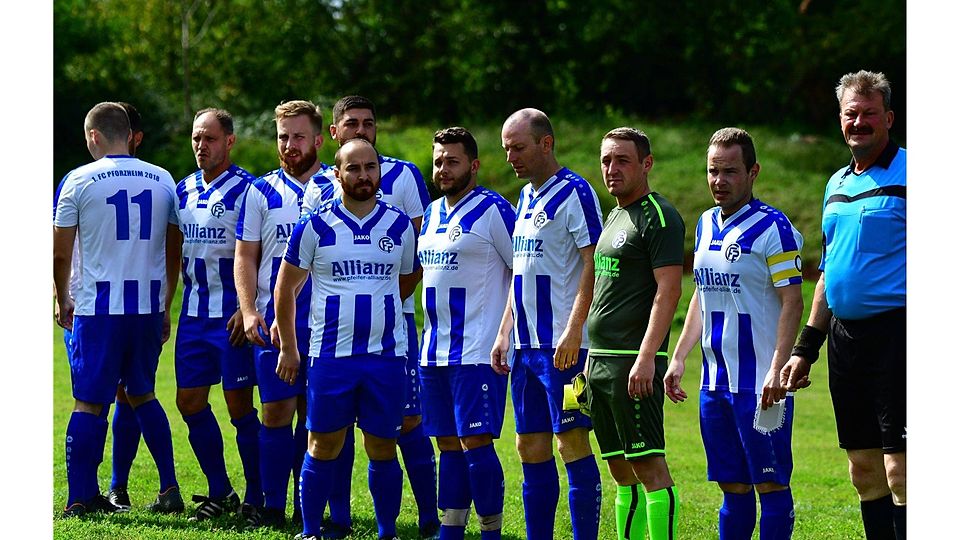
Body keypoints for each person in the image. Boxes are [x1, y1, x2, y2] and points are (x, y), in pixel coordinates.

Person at [301, 95, 438, 539]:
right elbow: (302, 265)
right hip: (333, 341)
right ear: (335, 133)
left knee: (405, 426)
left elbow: (415, 259)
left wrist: (378, 297)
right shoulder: (318, 190)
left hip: (391, 335)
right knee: (328, 437)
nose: (361, 129)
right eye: (352, 123)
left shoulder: (405, 178)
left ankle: (423, 518)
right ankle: (334, 520)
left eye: (369, 122)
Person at [780, 70, 906, 540]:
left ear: (888, 117)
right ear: (839, 120)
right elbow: (830, 274)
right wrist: (805, 347)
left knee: (902, 471)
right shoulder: (835, 184)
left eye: (869, 113)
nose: (859, 122)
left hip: (900, 336)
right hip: (845, 343)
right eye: (850, 114)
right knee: (864, 471)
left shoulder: (914, 174)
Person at [275, 137, 419, 540]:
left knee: (383, 448)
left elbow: (408, 276)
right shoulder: (314, 226)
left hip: (386, 358)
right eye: (353, 168)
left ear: (379, 172)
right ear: (337, 175)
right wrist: (288, 346)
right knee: (322, 446)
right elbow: (284, 289)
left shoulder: (398, 226)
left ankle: (386, 531)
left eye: (369, 167)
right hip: (330, 358)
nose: (362, 175)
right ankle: (309, 530)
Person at [666, 127, 803, 539]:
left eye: (729, 171)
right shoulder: (706, 223)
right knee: (733, 486)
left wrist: (777, 370)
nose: (718, 181)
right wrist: (679, 355)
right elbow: (702, 296)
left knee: (771, 483)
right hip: (715, 382)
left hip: (761, 383)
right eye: (712, 171)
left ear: (753, 172)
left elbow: (793, 302)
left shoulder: (774, 229)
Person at [54, 102, 182, 516]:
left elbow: (60, 255)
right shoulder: (163, 179)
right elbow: (173, 247)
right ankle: (168, 488)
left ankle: (81, 497)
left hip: (99, 308)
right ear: (129, 134)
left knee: (89, 402)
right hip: (145, 306)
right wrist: (165, 304)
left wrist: (61, 297)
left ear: (94, 136)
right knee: (143, 393)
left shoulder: (78, 180)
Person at [491, 108, 603, 540]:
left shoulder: (575, 192)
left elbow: (594, 264)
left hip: (565, 350)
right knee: (529, 445)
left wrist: (575, 330)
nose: (511, 158)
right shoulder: (525, 198)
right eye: (506, 149)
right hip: (525, 349)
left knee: (570, 441)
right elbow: (522, 271)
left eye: (518, 148)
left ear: (546, 143)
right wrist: (505, 331)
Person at [581, 127, 684, 540]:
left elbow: (670, 290)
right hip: (601, 362)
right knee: (620, 470)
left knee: (649, 466)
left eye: (622, 160)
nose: (611, 169)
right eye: (606, 160)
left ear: (646, 164)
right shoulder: (614, 214)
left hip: (632, 363)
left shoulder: (658, 216)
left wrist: (646, 358)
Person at [418, 127, 514, 540]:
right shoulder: (432, 212)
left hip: (478, 350)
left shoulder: (495, 210)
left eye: (452, 161)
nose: (443, 168)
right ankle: (450, 530)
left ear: (473, 165)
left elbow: (522, 273)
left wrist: (506, 331)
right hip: (434, 351)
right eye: (438, 160)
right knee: (446, 444)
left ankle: (490, 530)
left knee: (475, 441)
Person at [235, 99, 327, 528]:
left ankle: (310, 507)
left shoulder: (337, 184)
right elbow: (246, 256)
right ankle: (272, 506)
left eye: (298, 136)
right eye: (283, 137)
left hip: (329, 323)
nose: (289, 145)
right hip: (275, 322)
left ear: (319, 139)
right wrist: (249, 308)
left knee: (318, 418)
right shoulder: (260, 190)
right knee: (275, 411)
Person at [174, 108, 263, 522]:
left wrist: (250, 309)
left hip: (231, 319)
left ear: (229, 141)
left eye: (209, 138)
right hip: (193, 317)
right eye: (196, 138)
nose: (200, 146)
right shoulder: (183, 189)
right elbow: (175, 251)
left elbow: (261, 254)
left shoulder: (251, 190)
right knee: (189, 401)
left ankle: (256, 494)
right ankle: (220, 489)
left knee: (239, 407)